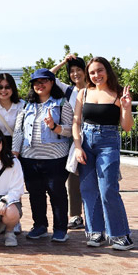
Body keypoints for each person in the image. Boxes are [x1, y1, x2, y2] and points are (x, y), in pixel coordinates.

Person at [73, 57, 134, 250]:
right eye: (92, 72)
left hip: (108, 142)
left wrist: (126, 107)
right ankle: (95, 232)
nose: (96, 75)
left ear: (107, 71)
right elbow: (76, 122)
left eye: (100, 71)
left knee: (108, 189)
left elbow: (126, 127)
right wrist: (77, 147)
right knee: (88, 189)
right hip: (86, 142)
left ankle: (119, 235)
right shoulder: (83, 93)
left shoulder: (118, 94)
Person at [12, 69, 73, 243]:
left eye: (44, 81)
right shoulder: (26, 105)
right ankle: (39, 226)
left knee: (57, 193)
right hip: (29, 157)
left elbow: (70, 129)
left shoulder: (62, 104)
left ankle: (61, 229)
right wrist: (15, 153)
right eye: (36, 82)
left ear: (52, 83)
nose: (40, 85)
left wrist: (55, 127)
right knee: (35, 193)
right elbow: (18, 130)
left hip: (55, 158)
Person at [50, 54, 88, 230]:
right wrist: (64, 61)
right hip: (75, 138)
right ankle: (75, 216)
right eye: (71, 71)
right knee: (73, 178)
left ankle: (93, 215)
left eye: (78, 70)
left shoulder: (94, 89)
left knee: (92, 179)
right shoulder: (69, 91)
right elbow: (48, 75)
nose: (75, 74)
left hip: (93, 137)